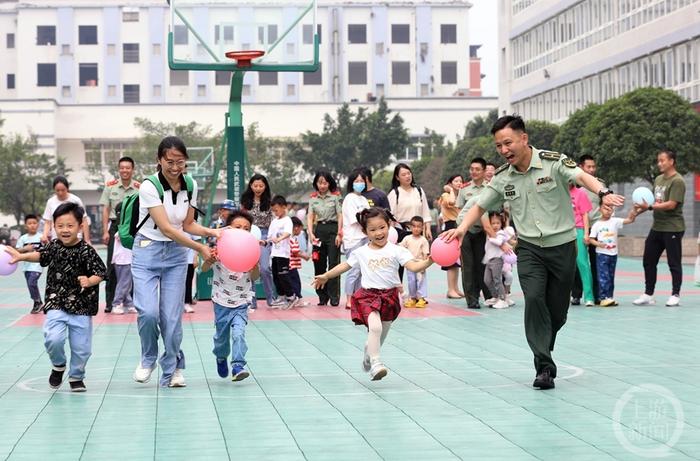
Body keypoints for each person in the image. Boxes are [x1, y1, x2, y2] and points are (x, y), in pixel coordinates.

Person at [442, 115, 624, 390]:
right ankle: (544, 368)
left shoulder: (553, 162)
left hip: (562, 247)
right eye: (499, 146)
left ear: (523, 139)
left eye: (508, 143)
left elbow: (581, 176)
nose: (504, 150)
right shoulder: (503, 177)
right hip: (529, 249)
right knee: (535, 299)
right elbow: (480, 204)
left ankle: (544, 345)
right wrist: (462, 228)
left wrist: (604, 191)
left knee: (558, 313)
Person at [131, 136, 220, 388]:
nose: (174, 167)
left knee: (171, 318)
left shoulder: (190, 184)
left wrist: (214, 233)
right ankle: (148, 358)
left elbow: (188, 224)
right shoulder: (149, 186)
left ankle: (172, 368)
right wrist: (200, 247)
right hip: (147, 252)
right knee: (148, 313)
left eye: (180, 162)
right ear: (159, 160)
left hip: (176, 256)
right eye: (169, 161)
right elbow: (168, 228)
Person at [312, 207, 433, 381]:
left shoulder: (397, 250)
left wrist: (431, 260)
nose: (378, 233)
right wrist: (326, 275)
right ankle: (376, 364)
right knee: (375, 328)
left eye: (382, 227)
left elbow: (414, 266)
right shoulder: (361, 252)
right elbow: (344, 266)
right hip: (368, 297)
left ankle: (369, 354)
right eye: (373, 229)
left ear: (389, 225)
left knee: (380, 335)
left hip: (389, 298)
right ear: (365, 232)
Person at [6, 203, 106, 392]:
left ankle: (76, 376)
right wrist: (21, 256)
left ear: (80, 226)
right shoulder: (53, 246)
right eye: (60, 226)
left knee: (82, 348)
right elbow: (40, 256)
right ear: (54, 227)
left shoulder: (87, 250)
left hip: (82, 306)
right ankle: (59, 365)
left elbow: (101, 272)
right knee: (53, 338)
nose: (65, 230)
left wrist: (89, 281)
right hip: (56, 301)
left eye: (70, 225)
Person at [202, 210, 259, 382]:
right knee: (221, 339)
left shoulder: (251, 249)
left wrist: (253, 265)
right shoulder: (220, 249)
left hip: (241, 302)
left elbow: (255, 277)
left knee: (238, 334)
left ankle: (238, 365)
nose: (242, 230)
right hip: (221, 302)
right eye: (238, 227)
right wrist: (209, 261)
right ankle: (221, 357)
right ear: (228, 229)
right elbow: (203, 270)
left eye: (246, 228)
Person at [633, 150, 687, 307]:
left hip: (673, 227)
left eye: (662, 160)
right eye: (658, 161)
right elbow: (654, 202)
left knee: (673, 263)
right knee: (648, 260)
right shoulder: (658, 179)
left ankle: (675, 294)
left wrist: (649, 207)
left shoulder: (678, 181)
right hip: (657, 227)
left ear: (671, 161)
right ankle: (648, 294)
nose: (659, 163)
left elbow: (671, 204)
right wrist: (639, 209)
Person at [100, 156, 139, 313]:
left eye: (128, 167)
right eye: (122, 167)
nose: (125, 170)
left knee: (134, 265)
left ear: (132, 169)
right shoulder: (110, 187)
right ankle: (111, 302)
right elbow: (105, 210)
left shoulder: (139, 188)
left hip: (132, 228)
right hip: (115, 226)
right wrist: (105, 231)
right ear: (119, 169)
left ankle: (132, 302)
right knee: (112, 265)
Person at [456, 158, 493, 309]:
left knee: (482, 264)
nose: (474, 172)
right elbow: (459, 211)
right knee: (468, 266)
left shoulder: (490, 189)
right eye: (472, 169)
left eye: (477, 169)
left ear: (484, 171)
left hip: (482, 232)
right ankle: (472, 299)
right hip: (465, 232)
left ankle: (488, 296)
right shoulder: (464, 189)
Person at [589, 205, 638, 307]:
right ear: (600, 209)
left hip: (613, 254)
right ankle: (603, 298)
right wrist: (598, 244)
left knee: (611, 276)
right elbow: (591, 239)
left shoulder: (615, 221)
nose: (608, 211)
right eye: (605, 208)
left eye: (610, 209)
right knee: (603, 276)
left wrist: (634, 210)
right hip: (602, 254)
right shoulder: (597, 225)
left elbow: (629, 220)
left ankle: (610, 297)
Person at [306, 170, 343, 306]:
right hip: (319, 230)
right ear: (316, 183)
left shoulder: (335, 197)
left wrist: (340, 233)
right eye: (320, 183)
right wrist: (310, 233)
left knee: (334, 263)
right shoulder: (313, 199)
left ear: (329, 183)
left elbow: (340, 215)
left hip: (333, 230)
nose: (322, 185)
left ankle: (334, 295)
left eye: (325, 182)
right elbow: (310, 217)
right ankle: (322, 295)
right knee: (318, 263)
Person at [240, 174, 276, 307]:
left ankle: (270, 298)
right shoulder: (245, 202)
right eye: (255, 185)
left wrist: (268, 239)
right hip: (249, 236)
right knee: (250, 269)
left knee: (265, 269)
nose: (258, 188)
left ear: (265, 186)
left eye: (261, 185)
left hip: (265, 235)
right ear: (251, 186)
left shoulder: (270, 202)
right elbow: (241, 219)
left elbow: (273, 222)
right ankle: (252, 300)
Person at [576, 154, 605, 304]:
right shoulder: (574, 185)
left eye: (594, 166)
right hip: (578, 228)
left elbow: (605, 204)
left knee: (596, 262)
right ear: (581, 167)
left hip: (596, 229)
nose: (592, 169)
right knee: (578, 262)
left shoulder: (600, 185)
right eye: (589, 167)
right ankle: (576, 294)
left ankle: (597, 294)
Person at [342, 168, 371, 309]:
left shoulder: (364, 199)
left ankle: (358, 297)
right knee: (353, 269)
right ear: (351, 183)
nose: (360, 183)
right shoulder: (349, 198)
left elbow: (368, 216)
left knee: (362, 271)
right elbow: (357, 218)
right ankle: (349, 299)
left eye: (362, 181)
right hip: (353, 239)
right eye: (356, 181)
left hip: (364, 237)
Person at [42, 176, 91, 244]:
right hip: (57, 238)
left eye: (63, 190)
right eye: (57, 190)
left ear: (67, 188)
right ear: (54, 189)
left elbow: (84, 221)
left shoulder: (76, 200)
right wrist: (44, 235)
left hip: (75, 238)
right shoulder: (50, 202)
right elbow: (47, 222)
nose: (60, 193)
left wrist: (87, 240)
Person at [268, 195, 297, 308]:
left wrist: (279, 239)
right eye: (273, 210)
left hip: (283, 254)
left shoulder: (287, 220)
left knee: (284, 275)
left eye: (277, 210)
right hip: (274, 253)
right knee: (276, 276)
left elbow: (288, 233)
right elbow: (270, 236)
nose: (275, 212)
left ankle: (291, 296)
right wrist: (265, 242)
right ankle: (281, 296)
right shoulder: (274, 221)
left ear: (284, 207)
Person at [439, 174, 464, 299]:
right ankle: (450, 289)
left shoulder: (462, 195)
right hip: (450, 226)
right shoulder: (446, 195)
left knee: (457, 261)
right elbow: (451, 202)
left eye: (461, 181)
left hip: (459, 227)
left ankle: (456, 288)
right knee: (452, 261)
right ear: (450, 183)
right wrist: (450, 190)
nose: (459, 183)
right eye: (456, 181)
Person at [569, 183, 594, 306]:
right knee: (564, 266)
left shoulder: (580, 193)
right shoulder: (558, 193)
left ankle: (589, 297)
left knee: (583, 264)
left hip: (578, 230)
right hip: (562, 231)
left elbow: (585, 214)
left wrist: (586, 233)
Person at [399, 216, 430, 308]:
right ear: (410, 227)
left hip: (420, 263)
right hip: (410, 264)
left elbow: (425, 254)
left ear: (422, 228)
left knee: (420, 280)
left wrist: (424, 266)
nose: (416, 229)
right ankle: (413, 297)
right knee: (411, 281)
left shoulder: (423, 240)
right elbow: (400, 247)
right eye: (414, 226)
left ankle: (421, 298)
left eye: (419, 226)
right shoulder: (407, 238)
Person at [16, 214, 44, 314]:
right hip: (26, 267)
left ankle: (37, 302)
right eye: (29, 223)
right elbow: (18, 250)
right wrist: (25, 249)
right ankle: (38, 302)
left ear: (37, 224)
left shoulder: (41, 237)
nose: (32, 225)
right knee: (31, 285)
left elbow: (48, 249)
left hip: (37, 266)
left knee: (32, 282)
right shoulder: (23, 238)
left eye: (34, 223)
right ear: (26, 226)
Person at [483, 212, 510, 309]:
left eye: (497, 223)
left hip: (497, 260)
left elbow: (499, 242)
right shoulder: (489, 233)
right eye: (493, 223)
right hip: (489, 260)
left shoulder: (501, 233)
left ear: (501, 224)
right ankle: (495, 296)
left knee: (497, 279)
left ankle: (503, 299)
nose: (495, 225)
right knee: (487, 280)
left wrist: (491, 239)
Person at [111, 231, 135, 315]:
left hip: (127, 260)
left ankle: (129, 304)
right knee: (123, 284)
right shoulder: (122, 232)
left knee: (127, 284)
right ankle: (116, 304)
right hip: (123, 260)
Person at [289, 216, 310, 307]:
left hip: (289, 265)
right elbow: (295, 251)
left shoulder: (290, 238)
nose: (300, 232)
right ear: (296, 227)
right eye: (300, 229)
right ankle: (299, 299)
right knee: (296, 283)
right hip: (291, 265)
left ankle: (294, 299)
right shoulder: (292, 239)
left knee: (292, 283)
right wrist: (304, 256)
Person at [184, 235, 199, 313]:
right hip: (174, 260)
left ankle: (187, 302)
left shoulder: (191, 224)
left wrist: (195, 258)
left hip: (189, 259)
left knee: (188, 282)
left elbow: (197, 242)